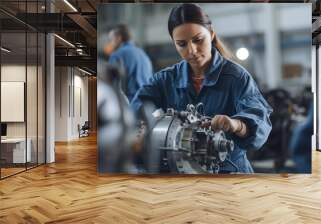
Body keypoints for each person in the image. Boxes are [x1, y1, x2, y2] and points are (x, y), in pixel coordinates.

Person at [131, 3, 273, 173]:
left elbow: (260, 121)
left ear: (211, 34)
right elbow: (137, 109)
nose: (192, 50)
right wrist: (148, 125)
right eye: (182, 44)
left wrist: (235, 124)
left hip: (229, 173)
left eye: (198, 40)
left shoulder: (236, 77)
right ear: (174, 44)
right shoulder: (164, 80)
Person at [107, 24, 153, 103]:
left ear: (119, 38)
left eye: (111, 39)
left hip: (130, 105)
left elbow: (110, 84)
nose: (111, 43)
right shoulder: (142, 53)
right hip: (148, 104)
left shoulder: (117, 54)